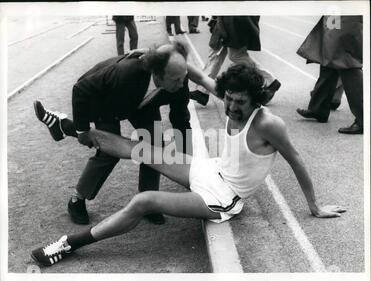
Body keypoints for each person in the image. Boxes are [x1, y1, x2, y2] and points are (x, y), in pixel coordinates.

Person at [31, 64, 345, 267]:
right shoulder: (230, 102)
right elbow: (193, 72)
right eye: (229, 99)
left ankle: (68, 245)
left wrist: (314, 206)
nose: (232, 107)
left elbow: (296, 160)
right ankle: (69, 126)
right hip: (211, 170)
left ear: (257, 100)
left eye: (240, 102)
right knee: (142, 148)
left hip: (225, 198)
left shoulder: (269, 124)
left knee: (144, 200)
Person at [34, 41, 194, 226]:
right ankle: (77, 199)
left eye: (183, 78)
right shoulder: (126, 72)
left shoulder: (179, 77)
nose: (181, 84)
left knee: (154, 145)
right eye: (176, 80)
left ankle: (148, 201)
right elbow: (80, 89)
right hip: (105, 101)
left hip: (140, 103)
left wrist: (190, 169)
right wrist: (82, 130)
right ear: (157, 74)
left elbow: (181, 119)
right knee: (109, 152)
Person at [190, 16, 281, 107]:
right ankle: (202, 91)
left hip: (233, 19)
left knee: (235, 55)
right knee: (217, 52)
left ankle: (270, 80)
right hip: (230, 19)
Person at [296, 16, 363, 134]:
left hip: (345, 10)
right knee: (330, 50)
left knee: (345, 56)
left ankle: (364, 118)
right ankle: (319, 108)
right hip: (335, 11)